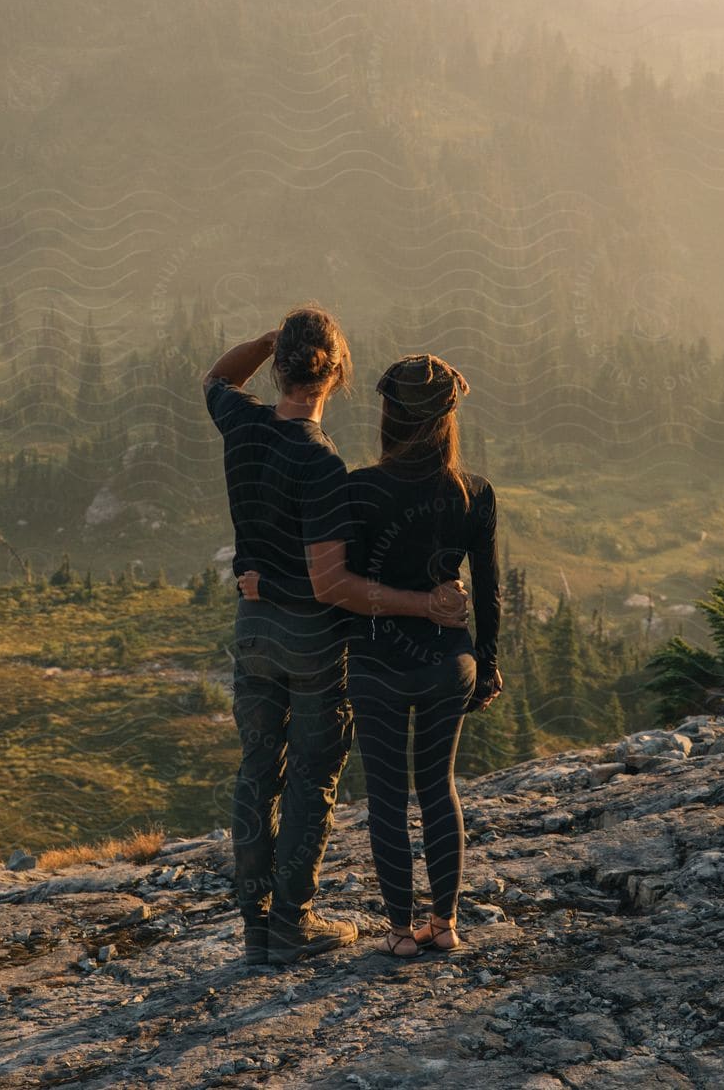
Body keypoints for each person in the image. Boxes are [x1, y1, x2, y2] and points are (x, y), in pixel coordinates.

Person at [204, 309, 470, 970]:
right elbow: (333, 586)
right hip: (312, 639)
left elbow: (215, 376)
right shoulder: (320, 461)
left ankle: (255, 926)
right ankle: (292, 921)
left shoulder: (242, 424)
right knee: (313, 775)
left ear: (279, 368)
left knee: (257, 767)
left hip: (254, 627)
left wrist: (269, 341)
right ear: (338, 375)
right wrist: (424, 606)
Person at [306, 353, 502, 960]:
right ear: (448, 421)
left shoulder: (358, 488)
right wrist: (488, 663)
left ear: (389, 415)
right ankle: (444, 924)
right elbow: (490, 592)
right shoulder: (474, 493)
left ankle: (397, 932)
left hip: (375, 664)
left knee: (387, 797)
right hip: (449, 663)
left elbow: (348, 588)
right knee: (439, 786)